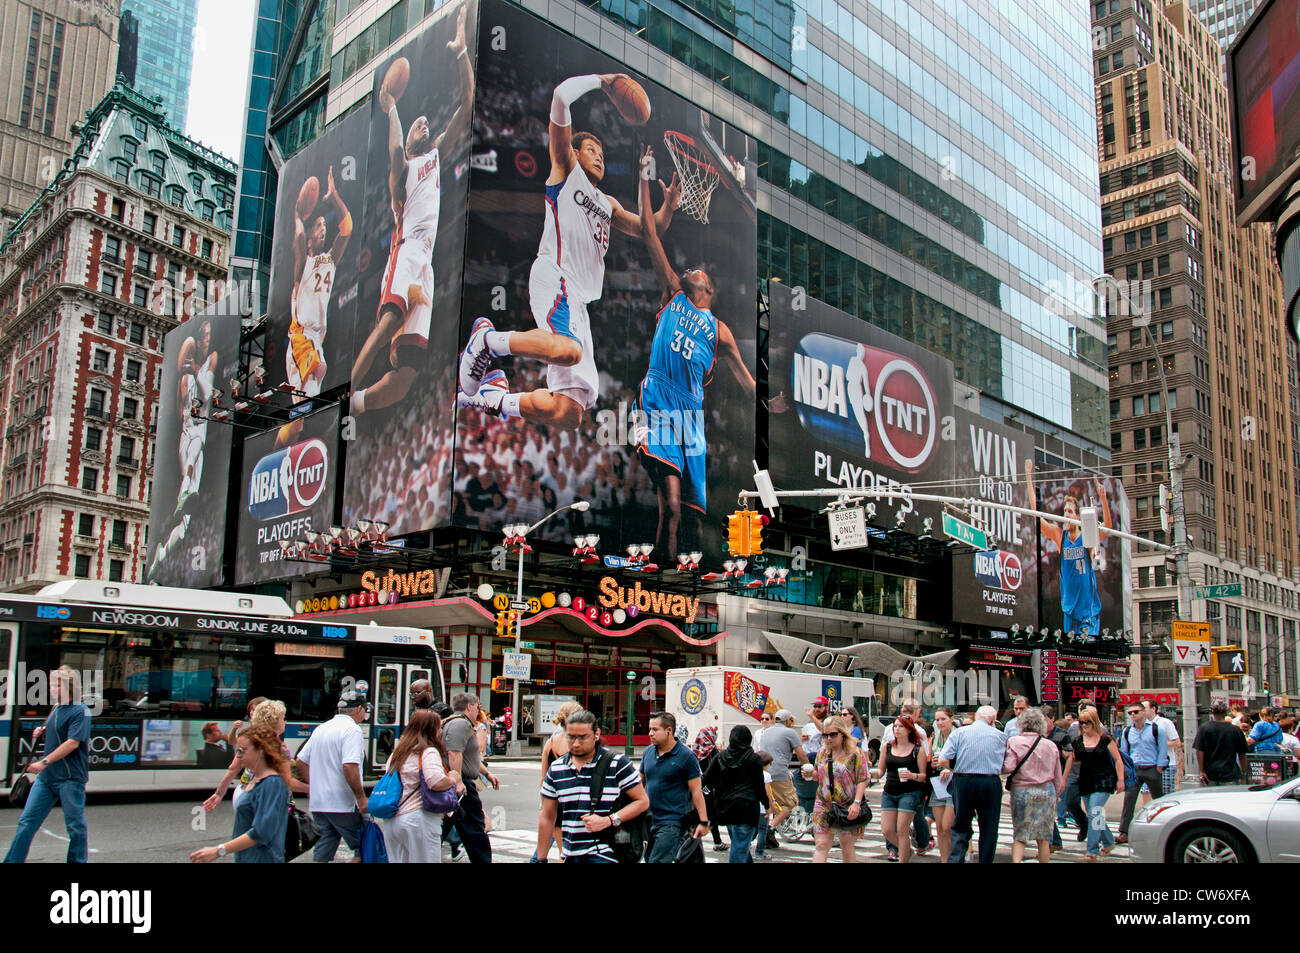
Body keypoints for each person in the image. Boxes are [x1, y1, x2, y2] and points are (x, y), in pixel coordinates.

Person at [458, 74, 680, 431]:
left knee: (569, 412)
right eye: (591, 150)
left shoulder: (606, 203)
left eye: (602, 154)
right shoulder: (565, 171)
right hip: (555, 276)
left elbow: (648, 229)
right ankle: (485, 341)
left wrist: (667, 206)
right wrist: (601, 81)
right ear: (574, 152)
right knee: (568, 351)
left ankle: (494, 398)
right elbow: (561, 96)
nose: (598, 157)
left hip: (578, 302)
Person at [630, 145, 765, 557]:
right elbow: (649, 232)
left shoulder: (720, 330)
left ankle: (673, 570)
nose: (691, 270)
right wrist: (644, 179)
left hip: (690, 412)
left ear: (708, 290)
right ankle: (661, 566)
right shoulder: (673, 291)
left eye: (698, 272)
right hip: (660, 398)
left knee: (684, 513)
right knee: (669, 503)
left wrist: (769, 404)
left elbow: (745, 379)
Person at [350, 4, 473, 419]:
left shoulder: (435, 155)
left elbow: (467, 103)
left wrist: (460, 49)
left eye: (425, 123)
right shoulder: (403, 167)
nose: (425, 124)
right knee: (386, 324)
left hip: (426, 264)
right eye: (418, 124)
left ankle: (357, 402)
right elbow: (393, 146)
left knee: (406, 378)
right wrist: (392, 108)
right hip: (406, 255)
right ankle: (340, 397)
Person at [536, 710, 650, 863]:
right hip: (570, 854)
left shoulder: (617, 763)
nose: (576, 743)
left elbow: (642, 802)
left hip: (605, 853)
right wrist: (541, 859)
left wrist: (609, 820)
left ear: (596, 734)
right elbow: (547, 816)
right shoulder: (556, 769)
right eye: (570, 737)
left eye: (583, 737)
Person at [3, 667, 90, 863]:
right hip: (47, 779)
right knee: (27, 822)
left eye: (56, 685)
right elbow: (58, 730)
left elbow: (72, 742)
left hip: (70, 779)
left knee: (75, 826)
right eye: (50, 684)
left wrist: (43, 762)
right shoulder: (56, 708)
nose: (51, 688)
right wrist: (42, 731)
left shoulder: (81, 711)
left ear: (69, 686)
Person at [286, 164, 352, 397]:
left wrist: (334, 197)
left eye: (325, 225)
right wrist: (297, 216)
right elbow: (299, 239)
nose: (323, 228)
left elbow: (347, 228)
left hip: (316, 339)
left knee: (301, 414)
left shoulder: (330, 260)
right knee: (316, 376)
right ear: (310, 237)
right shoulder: (303, 262)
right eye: (318, 225)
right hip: (301, 336)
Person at [190, 725, 291, 863]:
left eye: (242, 750)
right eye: (237, 750)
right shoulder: (256, 779)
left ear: (261, 751)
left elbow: (262, 832)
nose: (238, 755)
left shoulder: (272, 783)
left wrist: (219, 850)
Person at [295, 687, 370, 862]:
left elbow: (300, 761)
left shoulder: (322, 728)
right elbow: (350, 766)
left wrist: (313, 785)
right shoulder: (353, 730)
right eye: (365, 710)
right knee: (366, 846)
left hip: (320, 802)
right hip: (342, 803)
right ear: (359, 709)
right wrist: (360, 797)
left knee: (325, 846)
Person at [379, 709, 459, 863]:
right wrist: (452, 777)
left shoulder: (398, 751)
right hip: (418, 818)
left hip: (393, 819)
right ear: (431, 729)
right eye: (439, 727)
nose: (440, 732)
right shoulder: (428, 751)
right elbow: (436, 781)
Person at [937, 705, 1007, 864]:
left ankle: (956, 859)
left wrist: (956, 767)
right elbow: (1006, 763)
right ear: (992, 721)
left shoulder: (960, 733)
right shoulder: (1000, 736)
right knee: (989, 827)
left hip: (964, 780)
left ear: (976, 717)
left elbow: (942, 760)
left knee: (961, 824)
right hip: (990, 781)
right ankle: (985, 860)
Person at [640, 711, 709, 862]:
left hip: (672, 822)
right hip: (648, 820)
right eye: (649, 729)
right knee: (648, 858)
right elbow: (640, 784)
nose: (650, 733)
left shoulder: (686, 756)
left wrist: (703, 821)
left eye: (655, 730)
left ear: (669, 731)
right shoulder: (648, 752)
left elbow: (696, 791)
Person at [442, 693, 500, 863]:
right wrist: (458, 781)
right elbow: (454, 753)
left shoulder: (460, 723)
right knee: (475, 827)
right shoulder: (460, 724)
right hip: (461, 785)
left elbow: (469, 757)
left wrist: (487, 773)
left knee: (447, 825)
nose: (478, 710)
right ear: (469, 706)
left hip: (460, 782)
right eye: (477, 706)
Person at [1060, 707, 1123, 861]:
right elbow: (1074, 759)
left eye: (1087, 722)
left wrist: (1121, 779)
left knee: (1095, 812)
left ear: (1094, 722)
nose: (1084, 726)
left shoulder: (1106, 739)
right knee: (1093, 814)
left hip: (1104, 779)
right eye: (1082, 723)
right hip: (1086, 779)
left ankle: (1092, 849)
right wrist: (1064, 773)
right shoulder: (1078, 741)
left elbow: (1118, 760)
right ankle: (1108, 841)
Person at [1002, 708, 1062, 864]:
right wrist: (1056, 795)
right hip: (1046, 791)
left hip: (1022, 791)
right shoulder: (1050, 745)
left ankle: (1017, 861)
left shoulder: (1014, 742)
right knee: (1043, 838)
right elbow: (1057, 776)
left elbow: (1008, 767)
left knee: (1020, 835)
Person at [703, 725, 768, 863]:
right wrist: (767, 804)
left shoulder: (720, 757)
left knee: (740, 843)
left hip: (726, 807)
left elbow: (706, 779)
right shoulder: (753, 759)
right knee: (740, 846)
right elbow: (759, 786)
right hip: (747, 807)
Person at [810, 715, 869, 863]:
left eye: (833, 734)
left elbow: (862, 778)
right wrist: (811, 774)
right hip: (824, 802)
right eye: (825, 734)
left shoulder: (855, 753)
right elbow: (818, 775)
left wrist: (856, 802)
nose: (829, 738)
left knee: (846, 844)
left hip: (847, 804)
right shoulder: (822, 752)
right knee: (821, 844)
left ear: (842, 733)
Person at [881, 701, 933, 858]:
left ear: (909, 729)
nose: (896, 729)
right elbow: (880, 770)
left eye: (900, 726)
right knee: (887, 829)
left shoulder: (918, 749)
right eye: (895, 726)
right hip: (889, 790)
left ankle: (904, 855)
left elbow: (924, 775)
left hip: (909, 792)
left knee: (902, 830)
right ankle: (906, 849)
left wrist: (912, 776)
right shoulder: (887, 747)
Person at [1115, 702, 1166, 844]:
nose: (1133, 715)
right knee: (1129, 801)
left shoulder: (1156, 729)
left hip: (1152, 768)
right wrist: (1126, 770)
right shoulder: (1127, 731)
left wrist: (1160, 767)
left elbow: (1162, 748)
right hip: (1135, 770)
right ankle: (1124, 832)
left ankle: (1161, 829)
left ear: (1144, 713)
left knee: (1158, 801)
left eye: (1136, 712)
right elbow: (1124, 752)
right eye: (1130, 713)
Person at [757, 708, 809, 838]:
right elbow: (800, 754)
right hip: (779, 772)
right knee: (790, 804)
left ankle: (770, 835)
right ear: (787, 721)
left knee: (771, 803)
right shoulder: (790, 732)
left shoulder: (766, 732)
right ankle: (771, 827)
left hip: (763, 773)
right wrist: (808, 767)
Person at [928, 706, 958, 863]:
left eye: (943, 719)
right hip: (939, 783)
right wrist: (934, 763)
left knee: (948, 826)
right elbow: (933, 762)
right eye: (937, 720)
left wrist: (950, 769)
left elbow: (965, 760)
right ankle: (945, 859)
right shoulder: (936, 738)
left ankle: (955, 857)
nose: (939, 723)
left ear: (951, 719)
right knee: (939, 827)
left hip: (955, 783)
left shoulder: (958, 735)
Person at [1194, 701, 1248, 785]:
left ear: (1211, 712)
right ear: (1226, 712)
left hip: (1210, 774)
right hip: (1231, 774)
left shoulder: (1204, 728)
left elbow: (1199, 751)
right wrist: (1243, 773)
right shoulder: (1235, 730)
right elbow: (1242, 754)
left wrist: (1202, 771)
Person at [692, 727, 726, 851]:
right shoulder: (712, 752)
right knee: (712, 815)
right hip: (710, 788)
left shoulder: (695, 750)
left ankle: (694, 841)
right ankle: (717, 841)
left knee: (700, 815)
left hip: (698, 786)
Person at [1142, 700, 1182, 799]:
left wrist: (1158, 745)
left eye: (1144, 708)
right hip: (1147, 765)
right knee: (1146, 792)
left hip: (1166, 765)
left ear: (1153, 709)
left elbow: (1177, 742)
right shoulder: (1141, 725)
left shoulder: (1165, 723)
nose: (1142, 711)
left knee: (1166, 796)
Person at [801, 696, 830, 763]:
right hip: (809, 755)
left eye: (819, 706)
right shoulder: (810, 721)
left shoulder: (829, 720)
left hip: (823, 756)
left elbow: (824, 729)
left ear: (826, 707)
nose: (817, 709)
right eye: (815, 706)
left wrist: (812, 716)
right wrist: (803, 738)